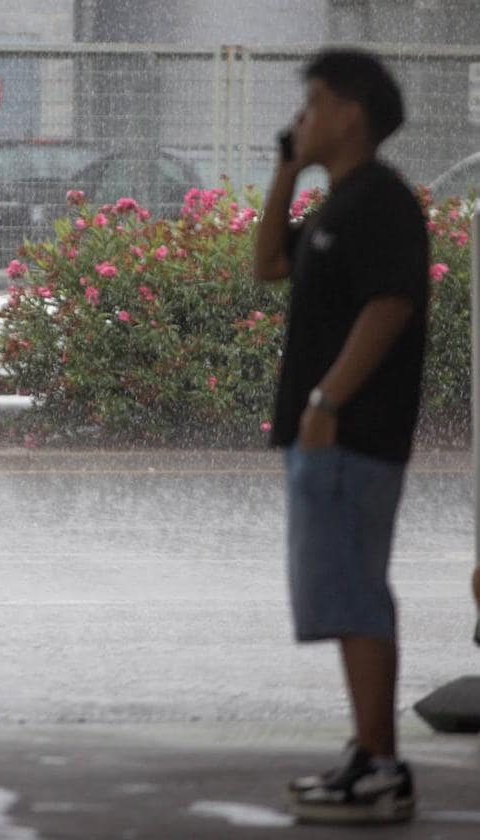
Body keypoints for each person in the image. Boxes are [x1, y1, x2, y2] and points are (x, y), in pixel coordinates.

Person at [253, 49, 429, 825]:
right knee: (346, 596)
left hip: (351, 434)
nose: (302, 115)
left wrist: (326, 402)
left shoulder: (380, 202)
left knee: (356, 599)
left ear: (351, 113)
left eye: (314, 102)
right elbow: (265, 266)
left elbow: (388, 305)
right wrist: (287, 172)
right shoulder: (338, 201)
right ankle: (368, 755)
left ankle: (382, 767)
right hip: (324, 435)